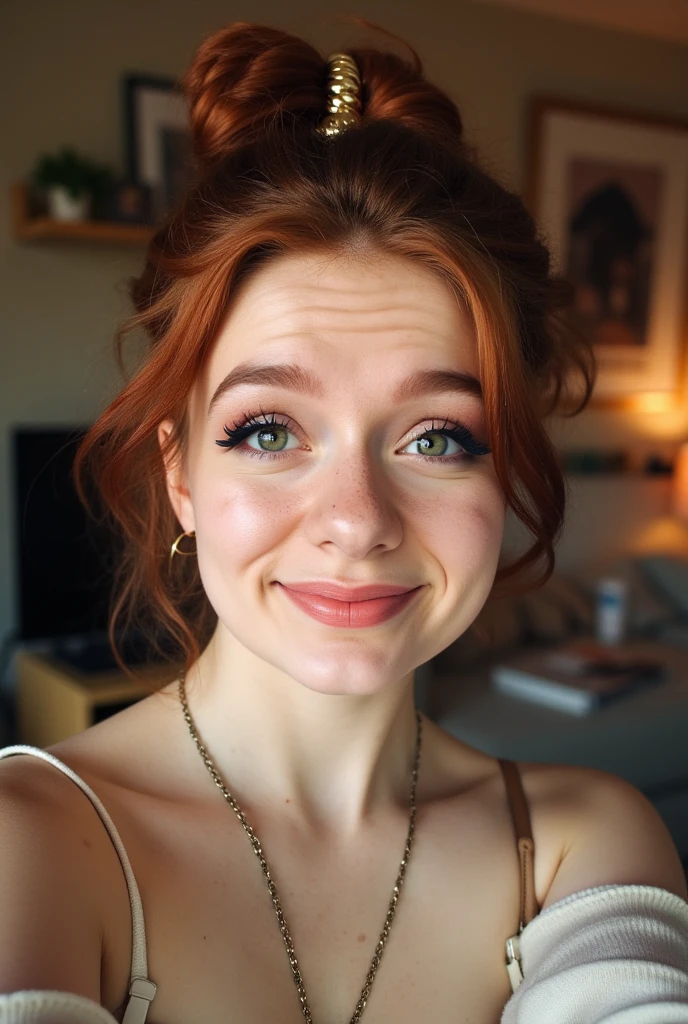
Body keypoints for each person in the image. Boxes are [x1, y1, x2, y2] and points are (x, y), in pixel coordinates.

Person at [1, 19, 687, 1024]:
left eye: (438, 438)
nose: (357, 521)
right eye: (270, 429)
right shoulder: (36, 844)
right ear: (180, 476)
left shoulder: (584, 844)